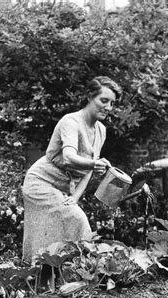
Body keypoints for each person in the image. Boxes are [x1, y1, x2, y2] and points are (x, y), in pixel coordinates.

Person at [22, 76, 121, 263]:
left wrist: (75, 198)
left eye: (112, 103)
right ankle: (90, 268)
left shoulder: (101, 130)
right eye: (103, 100)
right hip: (40, 182)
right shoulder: (71, 122)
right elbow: (69, 156)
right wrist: (94, 163)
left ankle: (64, 279)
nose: (108, 107)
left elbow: (89, 169)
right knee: (76, 220)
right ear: (90, 97)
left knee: (58, 234)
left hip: (64, 188)